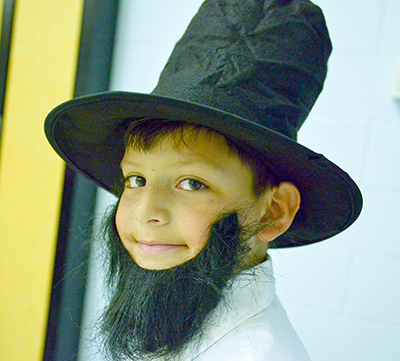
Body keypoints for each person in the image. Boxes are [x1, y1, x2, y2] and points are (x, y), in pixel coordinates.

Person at [44, 0, 363, 360]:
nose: (146, 212)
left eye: (192, 183)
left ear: (274, 211)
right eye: (135, 179)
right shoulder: (172, 320)